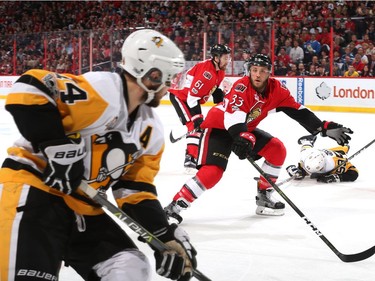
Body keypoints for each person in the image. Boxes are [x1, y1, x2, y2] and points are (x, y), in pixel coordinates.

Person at [0, 29, 198, 281]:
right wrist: (55, 145)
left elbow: (135, 190)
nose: (169, 86)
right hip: (36, 191)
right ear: (151, 75)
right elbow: (29, 88)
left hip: (83, 207)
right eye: (168, 78)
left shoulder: (151, 129)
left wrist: (164, 237)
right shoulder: (104, 90)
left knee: (129, 268)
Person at [164, 54, 353, 223]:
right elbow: (233, 118)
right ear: (249, 71)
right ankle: (175, 207)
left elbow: (297, 111)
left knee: (277, 149)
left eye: (262, 71)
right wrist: (243, 137)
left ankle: (264, 196)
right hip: (219, 129)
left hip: (244, 131)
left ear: (269, 73)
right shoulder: (241, 87)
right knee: (213, 172)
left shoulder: (276, 89)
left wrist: (323, 127)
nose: (257, 74)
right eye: (254, 70)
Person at [168, 43, 231, 173]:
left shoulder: (220, 71)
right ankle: (190, 158)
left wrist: (221, 107)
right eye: (225, 58)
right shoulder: (206, 73)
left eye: (228, 57)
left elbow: (217, 90)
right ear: (216, 58)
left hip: (190, 99)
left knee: (198, 126)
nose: (228, 60)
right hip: (180, 97)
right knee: (195, 125)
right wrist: (197, 117)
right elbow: (192, 97)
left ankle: (189, 149)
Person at [286, 135, 358, 183]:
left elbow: (354, 174)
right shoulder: (307, 154)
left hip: (334, 155)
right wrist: (294, 170)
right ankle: (308, 141)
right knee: (306, 148)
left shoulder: (333, 166)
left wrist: (334, 177)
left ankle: (345, 148)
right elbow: (306, 148)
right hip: (323, 153)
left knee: (344, 149)